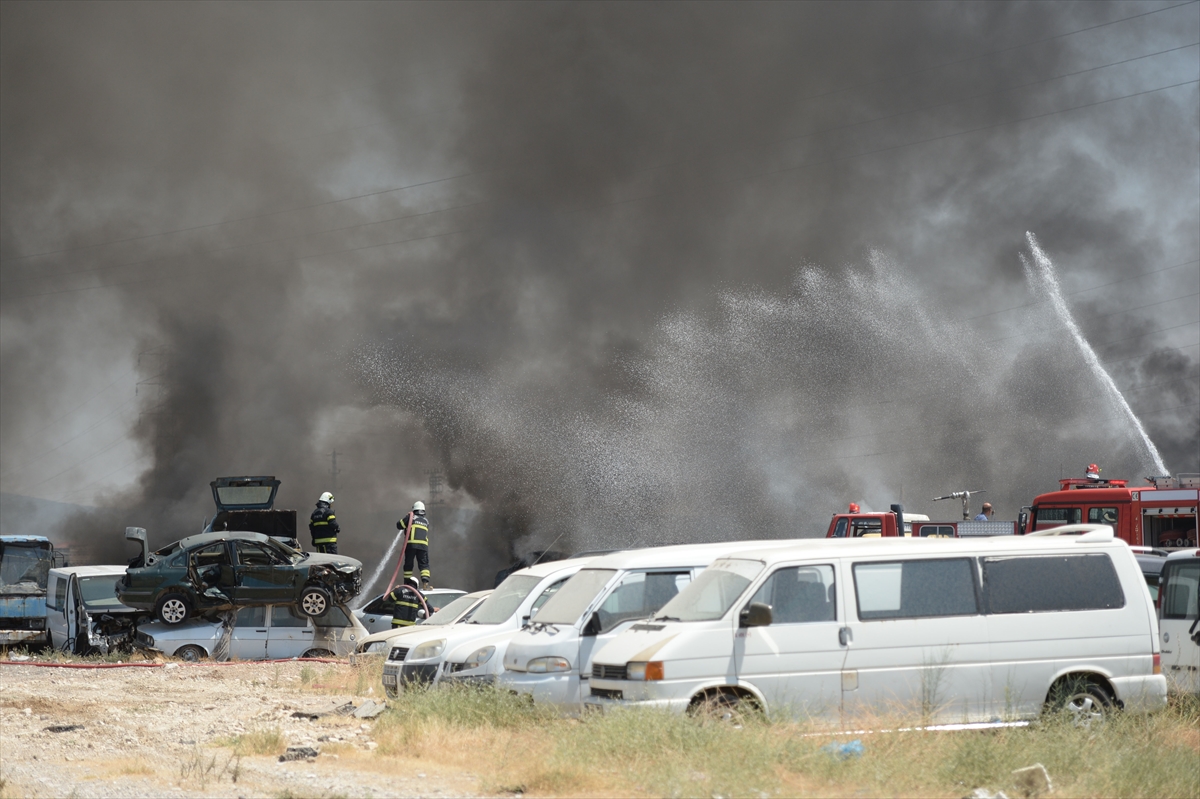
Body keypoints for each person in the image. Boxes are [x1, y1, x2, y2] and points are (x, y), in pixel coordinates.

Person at [398, 500, 433, 589]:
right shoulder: (426, 521)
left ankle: (407, 584)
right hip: (423, 546)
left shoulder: (411, 518)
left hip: (411, 545)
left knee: (409, 564)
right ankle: (425, 583)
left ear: (414, 510)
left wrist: (407, 517)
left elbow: (399, 525)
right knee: (424, 564)